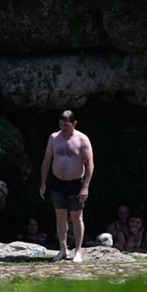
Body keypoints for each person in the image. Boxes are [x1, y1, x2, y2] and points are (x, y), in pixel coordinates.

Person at [38, 109, 94, 263]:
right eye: (61, 125)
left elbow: (90, 165)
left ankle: (78, 251)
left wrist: (86, 187)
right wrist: (43, 183)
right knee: (60, 215)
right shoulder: (54, 138)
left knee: (77, 217)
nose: (64, 128)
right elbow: (47, 161)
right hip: (57, 182)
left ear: (74, 123)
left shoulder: (82, 139)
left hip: (76, 183)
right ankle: (63, 249)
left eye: (67, 125)